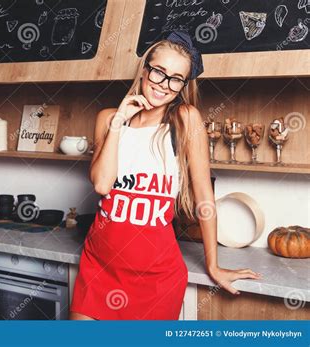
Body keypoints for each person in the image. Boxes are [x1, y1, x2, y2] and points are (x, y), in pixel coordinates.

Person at [69, 31, 262, 320]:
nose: (164, 84)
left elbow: (203, 196)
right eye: (159, 72)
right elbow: (101, 183)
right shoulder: (108, 118)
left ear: (183, 84)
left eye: (176, 78)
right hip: (99, 266)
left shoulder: (185, 119)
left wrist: (213, 264)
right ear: (145, 70)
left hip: (155, 277)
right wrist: (120, 122)